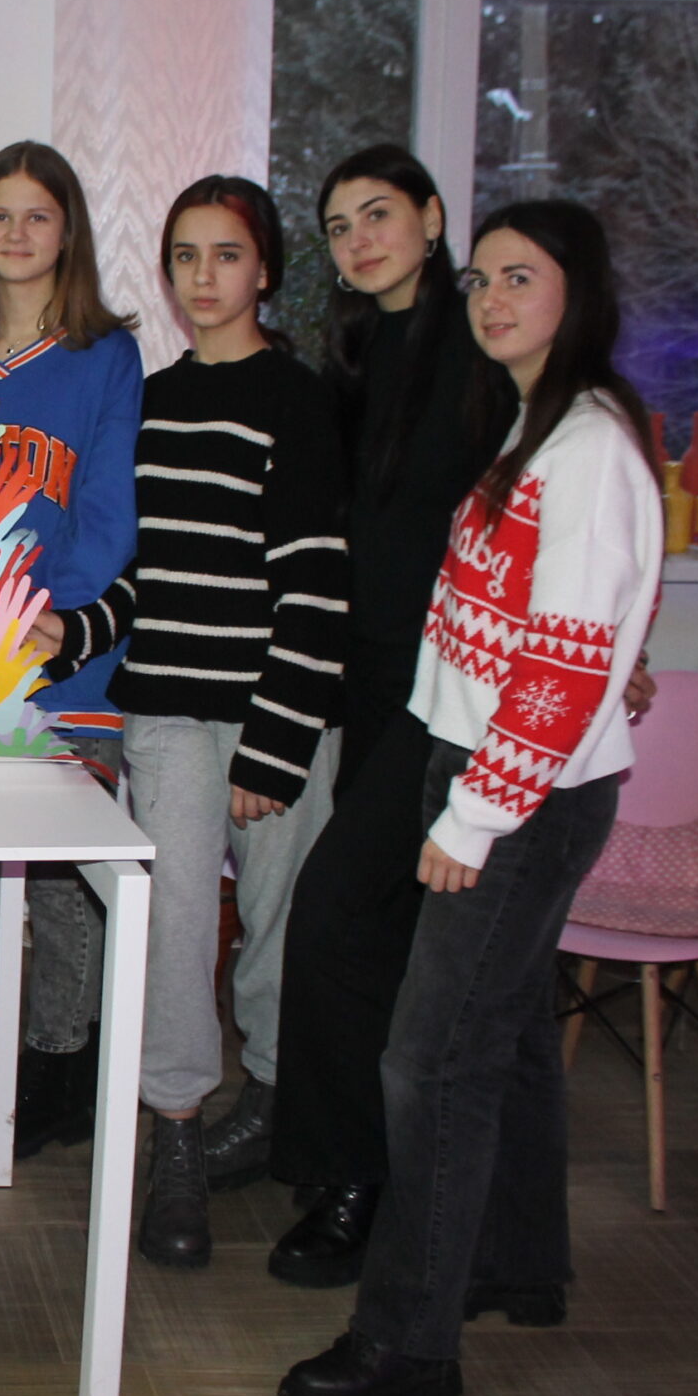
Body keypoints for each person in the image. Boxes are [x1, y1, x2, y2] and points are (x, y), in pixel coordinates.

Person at [280, 199, 664, 1396]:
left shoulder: (586, 446)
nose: (493, 300)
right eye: (483, 280)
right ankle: (514, 1262)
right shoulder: (535, 426)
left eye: (521, 278)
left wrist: (472, 816)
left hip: (519, 793)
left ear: (576, 294)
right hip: (489, 767)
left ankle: (407, 1342)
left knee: (429, 1059)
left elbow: (564, 662)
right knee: (501, 1036)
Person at [11, 177, 348, 1266]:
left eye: (227, 255)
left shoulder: (298, 400)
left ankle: (280, 1105)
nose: (204, 278)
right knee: (170, 936)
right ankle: (179, 1138)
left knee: (280, 932)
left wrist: (277, 745)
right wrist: (73, 631)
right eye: (186, 258)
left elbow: (314, 584)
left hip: (273, 721)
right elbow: (141, 575)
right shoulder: (151, 401)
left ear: (266, 270)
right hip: (163, 713)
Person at [260, 145, 496, 1286]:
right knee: (385, 943)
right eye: (339, 226)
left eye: (379, 215)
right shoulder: (355, 353)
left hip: (447, 692)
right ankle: (384, 1176)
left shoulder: (481, 346)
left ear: (433, 219)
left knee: (332, 920)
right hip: (367, 682)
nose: (358, 241)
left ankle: (351, 1178)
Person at [0, 142, 143, 1123]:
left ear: (67, 232)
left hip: (64, 659)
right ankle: (55, 1064)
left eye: (36, 215)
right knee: (0, 861)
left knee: (60, 878)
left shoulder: (105, 356)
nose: (16, 233)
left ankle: (57, 1071)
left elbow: (109, 513)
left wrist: (56, 621)